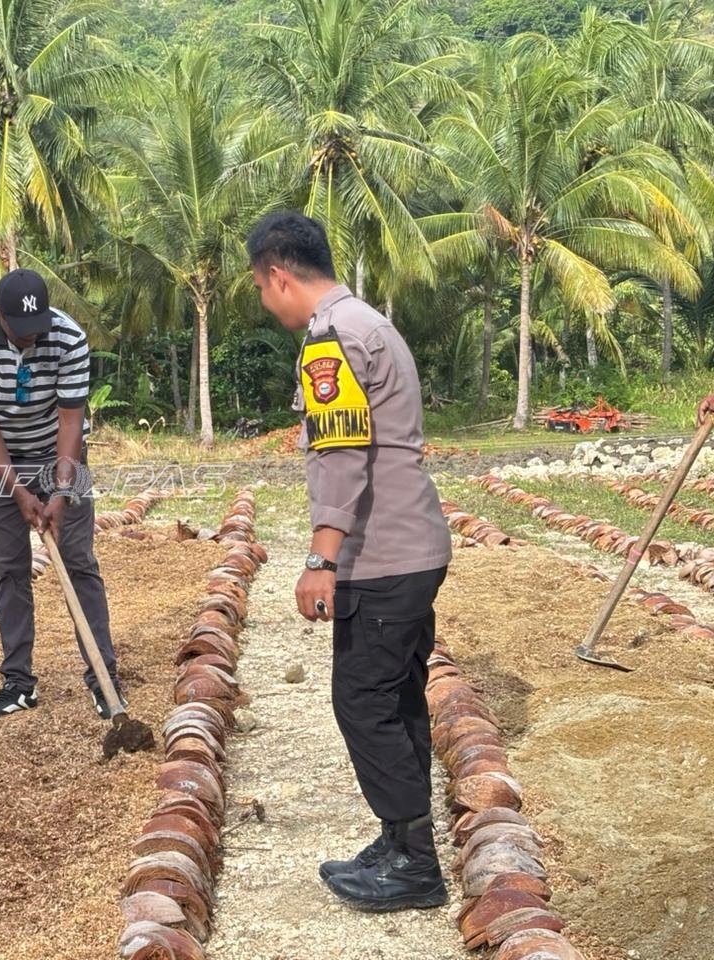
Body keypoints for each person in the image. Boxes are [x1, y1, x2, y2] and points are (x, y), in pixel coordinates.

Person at [247, 212, 453, 912]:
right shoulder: (370, 321)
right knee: (394, 699)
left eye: (259, 287)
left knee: (362, 700)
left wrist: (320, 559)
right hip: (413, 547)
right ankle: (399, 838)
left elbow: (341, 455)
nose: (264, 301)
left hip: (382, 554)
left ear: (278, 274)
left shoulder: (331, 340)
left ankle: (415, 867)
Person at [0, 268, 124, 721]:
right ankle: (18, 683)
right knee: (9, 569)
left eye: (37, 330)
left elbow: (71, 421)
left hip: (61, 452)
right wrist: (19, 493)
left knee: (79, 562)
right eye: (21, 331)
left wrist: (61, 493)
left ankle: (103, 678)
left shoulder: (68, 337)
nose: (31, 339)